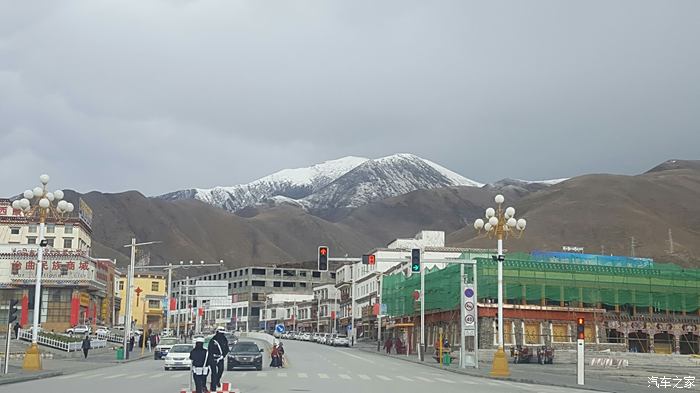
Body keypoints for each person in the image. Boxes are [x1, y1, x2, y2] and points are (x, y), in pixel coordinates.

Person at [208, 326, 229, 391]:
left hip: (220, 357)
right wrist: (211, 358)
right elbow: (210, 349)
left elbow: (226, 349)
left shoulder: (224, 339)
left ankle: (217, 381)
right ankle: (213, 387)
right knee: (214, 372)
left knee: (221, 370)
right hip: (213, 358)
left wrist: (223, 356)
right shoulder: (213, 340)